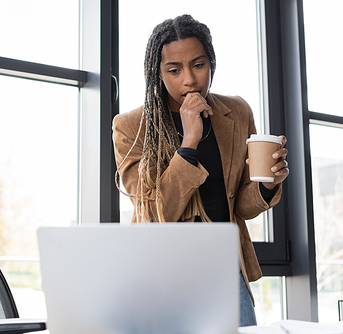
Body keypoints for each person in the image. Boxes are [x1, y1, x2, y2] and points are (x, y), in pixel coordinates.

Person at [112, 14, 289, 326]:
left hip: (224, 269)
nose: (189, 80)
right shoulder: (131, 127)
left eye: (198, 64)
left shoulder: (235, 112)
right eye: (174, 70)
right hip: (159, 275)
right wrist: (190, 140)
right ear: (158, 73)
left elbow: (239, 207)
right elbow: (156, 213)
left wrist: (266, 185)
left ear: (211, 63)